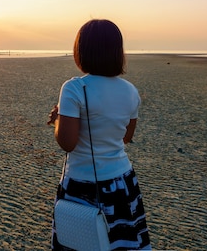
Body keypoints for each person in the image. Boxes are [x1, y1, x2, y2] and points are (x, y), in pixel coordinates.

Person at [47, 19, 151, 250]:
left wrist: (58, 120)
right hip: (122, 182)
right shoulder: (130, 90)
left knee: (79, 242)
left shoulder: (74, 87)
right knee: (121, 243)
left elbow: (67, 143)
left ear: (81, 51)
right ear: (117, 51)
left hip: (82, 183)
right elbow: (125, 137)